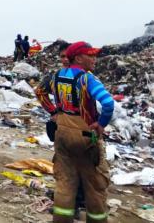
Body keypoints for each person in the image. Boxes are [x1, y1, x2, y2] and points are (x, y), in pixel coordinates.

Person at [36, 41, 115, 223]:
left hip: (62, 132)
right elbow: (108, 103)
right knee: (95, 185)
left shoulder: (57, 75)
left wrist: (54, 112)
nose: (95, 59)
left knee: (65, 183)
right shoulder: (86, 78)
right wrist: (101, 123)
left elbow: (40, 91)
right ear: (78, 58)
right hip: (84, 134)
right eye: (91, 55)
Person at [36, 42, 85, 217]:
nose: (65, 60)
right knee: (64, 164)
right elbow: (40, 91)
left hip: (79, 128)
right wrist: (53, 111)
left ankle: (75, 205)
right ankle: (67, 197)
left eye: (68, 56)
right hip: (63, 126)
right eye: (62, 56)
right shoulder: (57, 76)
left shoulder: (83, 77)